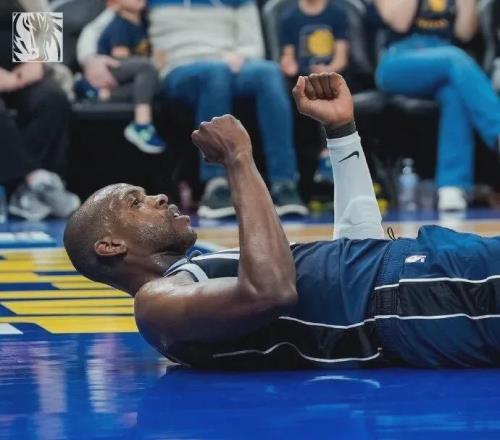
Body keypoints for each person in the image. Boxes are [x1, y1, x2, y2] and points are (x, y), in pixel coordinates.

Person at [64, 72, 500, 369]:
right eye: (136, 202)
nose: (159, 197)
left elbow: (355, 254)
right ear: (110, 245)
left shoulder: (199, 273)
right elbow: (270, 292)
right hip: (416, 294)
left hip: (413, 278)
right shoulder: (156, 304)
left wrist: (341, 133)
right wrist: (238, 160)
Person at [149, 0, 307, 219]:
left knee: (269, 72)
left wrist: (240, 56)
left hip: (232, 63)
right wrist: (97, 58)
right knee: (216, 73)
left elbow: (253, 45)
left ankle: (285, 183)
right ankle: (216, 184)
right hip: (180, 67)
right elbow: (112, 15)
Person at [373, 0, 500, 212]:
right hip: (399, 59)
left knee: (454, 92)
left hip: (447, 61)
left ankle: (452, 187)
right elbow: (400, 22)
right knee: (455, 58)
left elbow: (465, 33)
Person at [0, 0, 80, 221]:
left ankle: (27, 194)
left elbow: (46, 31)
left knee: (52, 98)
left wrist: (36, 61)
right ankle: (33, 179)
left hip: (22, 70)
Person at [76, 0, 165, 154]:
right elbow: (122, 57)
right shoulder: (119, 24)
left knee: (154, 85)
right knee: (147, 68)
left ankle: (102, 95)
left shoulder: (144, 22)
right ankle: (141, 124)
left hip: (133, 71)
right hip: (112, 67)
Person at [279, 0, 349, 186]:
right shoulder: (289, 17)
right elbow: (288, 57)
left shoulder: (337, 13)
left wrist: (327, 71)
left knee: (326, 89)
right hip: (302, 79)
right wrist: (289, 66)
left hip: (332, 76)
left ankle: (328, 155)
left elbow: (341, 58)